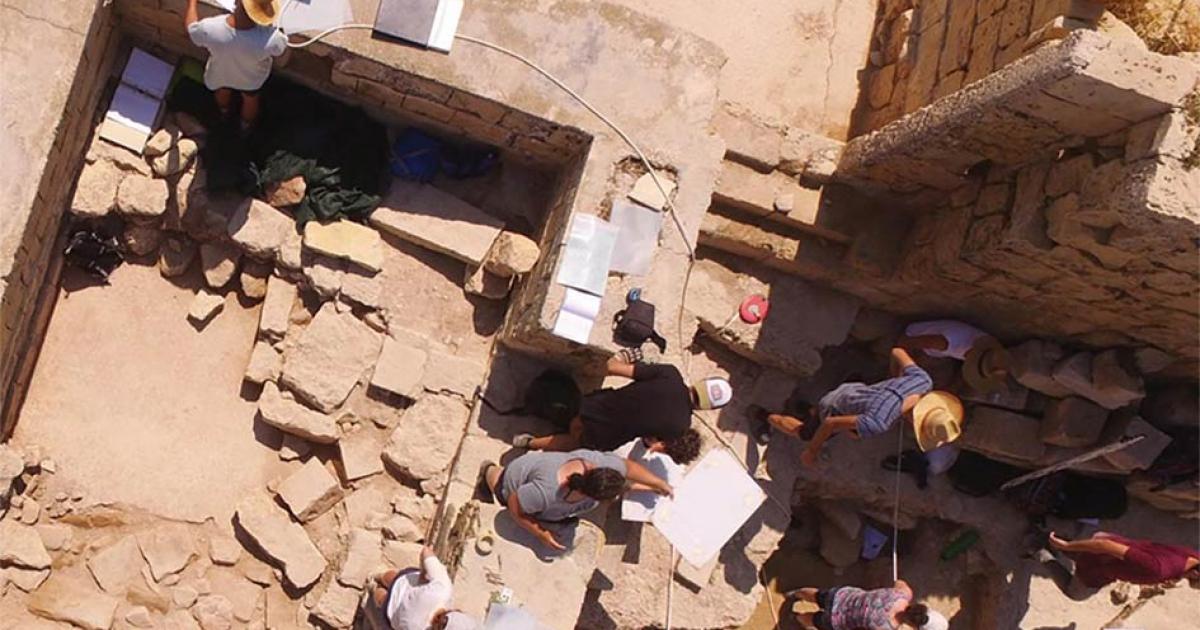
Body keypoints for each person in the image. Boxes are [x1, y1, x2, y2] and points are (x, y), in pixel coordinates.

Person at [749, 348, 963, 468]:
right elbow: (831, 424)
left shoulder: (922, 381)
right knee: (805, 432)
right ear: (916, 423)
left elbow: (897, 351)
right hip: (834, 407)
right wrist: (812, 450)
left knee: (829, 414)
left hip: (852, 389)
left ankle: (808, 409)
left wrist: (893, 377)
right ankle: (764, 416)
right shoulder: (878, 422)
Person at [511, 351, 731, 462]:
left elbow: (611, 368)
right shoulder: (680, 426)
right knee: (574, 442)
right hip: (603, 438)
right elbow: (650, 441)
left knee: (576, 421)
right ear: (707, 408)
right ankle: (529, 442)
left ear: (702, 383)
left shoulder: (669, 374)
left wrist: (624, 356)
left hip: (591, 406)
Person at [479, 449, 672, 552]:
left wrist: (657, 484)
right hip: (514, 485)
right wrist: (540, 534)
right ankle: (489, 472)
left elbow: (628, 468)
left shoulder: (603, 468)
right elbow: (515, 506)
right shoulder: (546, 493)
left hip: (540, 494)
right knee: (503, 491)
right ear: (592, 496)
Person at [184, 0, 288, 132]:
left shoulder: (211, 28)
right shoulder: (271, 39)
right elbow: (283, 53)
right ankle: (245, 126)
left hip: (220, 74)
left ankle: (223, 113)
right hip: (251, 80)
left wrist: (192, 3)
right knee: (250, 100)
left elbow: (191, 29)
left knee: (222, 91)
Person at [1038, 530, 1200, 600]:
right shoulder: (1157, 570)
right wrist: (1066, 547)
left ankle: (1049, 537)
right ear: (1196, 575)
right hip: (1099, 562)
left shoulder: (1194, 557)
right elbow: (1105, 546)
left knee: (1075, 549)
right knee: (1075, 594)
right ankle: (1038, 549)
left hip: (1111, 543)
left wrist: (1173, 575)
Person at [372, 546, 480, 630]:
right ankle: (372, 588)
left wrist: (423, 575)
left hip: (403, 583)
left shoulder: (443, 590)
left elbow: (426, 551)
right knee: (382, 600)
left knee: (395, 578)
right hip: (391, 611)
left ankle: (378, 575)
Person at [897, 319, 1009, 392]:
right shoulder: (944, 343)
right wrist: (901, 373)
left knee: (946, 386)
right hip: (917, 344)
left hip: (938, 354)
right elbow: (904, 343)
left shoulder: (988, 348)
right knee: (921, 384)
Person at [785, 580, 948, 630]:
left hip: (842, 596)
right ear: (914, 626)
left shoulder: (903, 593)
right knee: (813, 620)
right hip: (837, 621)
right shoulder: (886, 628)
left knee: (816, 595)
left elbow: (898, 582)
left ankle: (796, 593)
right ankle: (796, 617)